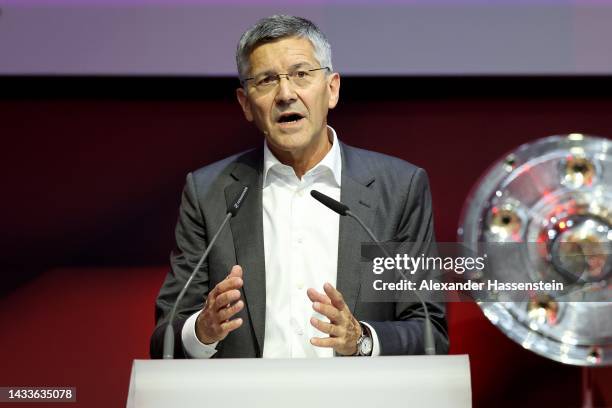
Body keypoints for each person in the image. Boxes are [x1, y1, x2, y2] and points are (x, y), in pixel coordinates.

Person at [150, 15, 448, 359]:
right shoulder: (208, 192)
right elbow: (164, 339)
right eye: (266, 80)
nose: (286, 94)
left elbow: (429, 331)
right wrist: (201, 331)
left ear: (332, 88)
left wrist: (361, 340)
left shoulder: (398, 189)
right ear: (246, 104)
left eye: (301, 74)